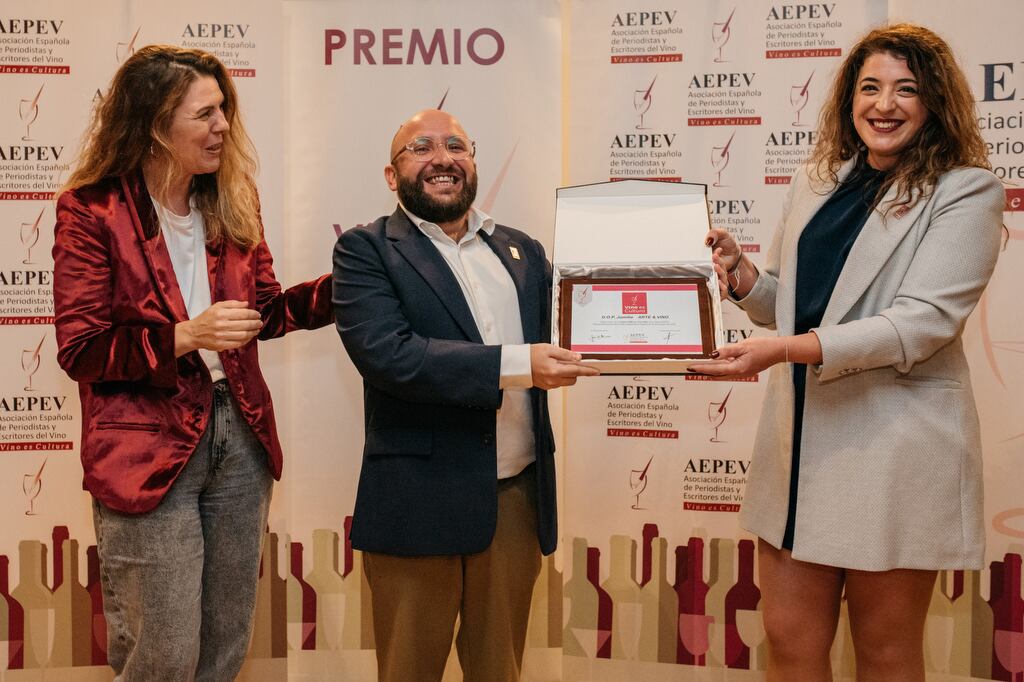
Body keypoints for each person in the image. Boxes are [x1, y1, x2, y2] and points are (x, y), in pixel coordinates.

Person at [694, 24, 1004, 681]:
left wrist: (781, 350)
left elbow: (918, 324)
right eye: (870, 87)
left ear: (934, 104)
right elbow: (799, 302)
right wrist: (746, 279)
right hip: (799, 443)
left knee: (885, 652)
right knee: (786, 640)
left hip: (890, 445)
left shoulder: (966, 190)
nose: (883, 104)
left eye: (905, 90)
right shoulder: (817, 179)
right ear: (848, 98)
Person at [52, 45, 332, 680]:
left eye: (224, 109)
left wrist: (348, 286)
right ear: (156, 125)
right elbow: (81, 348)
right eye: (205, 113)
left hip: (241, 438)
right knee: (164, 654)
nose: (224, 126)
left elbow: (265, 310)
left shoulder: (233, 197)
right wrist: (182, 336)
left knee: (224, 645)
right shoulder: (91, 210)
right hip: (146, 448)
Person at [333, 109, 597, 681]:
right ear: (391, 173)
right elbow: (390, 356)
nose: (442, 158)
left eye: (456, 146)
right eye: (420, 148)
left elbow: (586, 322)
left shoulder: (522, 250)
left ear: (472, 163)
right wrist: (519, 364)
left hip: (514, 504)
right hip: (417, 501)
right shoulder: (365, 250)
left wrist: (678, 307)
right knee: (408, 671)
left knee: (500, 672)